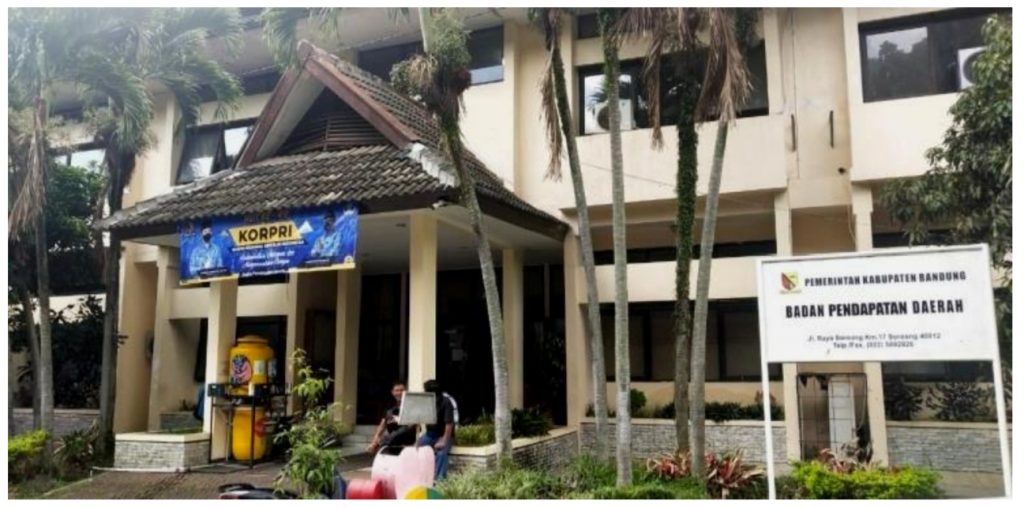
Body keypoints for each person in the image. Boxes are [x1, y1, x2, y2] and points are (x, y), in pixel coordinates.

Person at [418, 379, 459, 480]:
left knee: (441, 453)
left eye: (425, 390)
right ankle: (420, 476)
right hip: (430, 434)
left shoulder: (446, 402)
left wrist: (444, 440)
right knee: (416, 448)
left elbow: (449, 424)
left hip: (444, 435)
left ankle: (440, 480)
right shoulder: (427, 401)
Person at [367, 381, 417, 453]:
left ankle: (380, 443)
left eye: (402, 390)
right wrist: (375, 439)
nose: (399, 393)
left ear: (406, 391)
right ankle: (379, 443)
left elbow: (413, 424)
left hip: (406, 438)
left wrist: (398, 420)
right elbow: (382, 424)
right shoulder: (390, 406)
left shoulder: (411, 405)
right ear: (392, 392)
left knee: (406, 428)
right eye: (397, 390)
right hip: (392, 439)